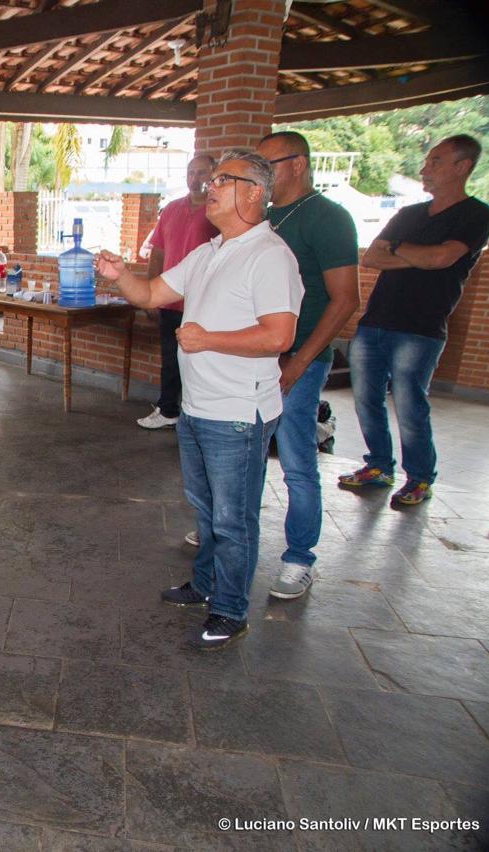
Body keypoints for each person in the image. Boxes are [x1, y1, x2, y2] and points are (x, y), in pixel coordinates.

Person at [95, 150, 303, 651]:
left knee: (235, 519)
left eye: (223, 180)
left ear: (255, 191)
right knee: (207, 511)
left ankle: (231, 611)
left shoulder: (269, 255)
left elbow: (280, 334)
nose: (209, 186)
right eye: (211, 179)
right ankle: (207, 584)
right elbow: (151, 295)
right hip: (199, 408)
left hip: (238, 413)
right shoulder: (211, 251)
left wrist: (208, 339)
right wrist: (121, 275)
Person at [340, 135, 489, 507]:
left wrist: (400, 250)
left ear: (463, 167)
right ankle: (379, 466)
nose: (426, 169)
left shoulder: (477, 215)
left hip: (421, 328)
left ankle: (420, 478)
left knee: (410, 403)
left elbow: (443, 259)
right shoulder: (409, 214)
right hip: (376, 320)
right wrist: (417, 255)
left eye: (436, 161)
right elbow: (371, 257)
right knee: (366, 399)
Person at [255, 132, 360, 599]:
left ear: (298, 164)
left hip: (299, 357)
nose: (262, 175)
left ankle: (300, 558)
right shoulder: (260, 217)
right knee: (245, 453)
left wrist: (300, 361)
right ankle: (229, 532)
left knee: (296, 460)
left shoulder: (328, 218)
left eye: (268, 165)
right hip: (255, 356)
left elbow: (345, 300)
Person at [137, 154, 218, 430]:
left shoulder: (216, 212)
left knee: (200, 360)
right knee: (170, 358)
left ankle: (198, 415)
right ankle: (168, 408)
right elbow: (157, 253)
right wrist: (150, 291)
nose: (195, 179)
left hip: (203, 302)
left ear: (214, 175)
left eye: (202, 173)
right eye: (191, 173)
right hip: (170, 299)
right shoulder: (171, 209)